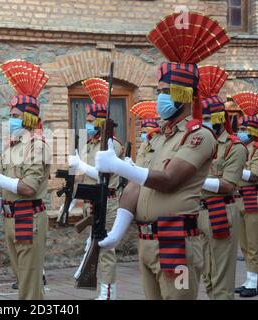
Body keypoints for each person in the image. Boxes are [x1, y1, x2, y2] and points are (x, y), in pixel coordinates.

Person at [93, 12, 230, 299]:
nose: (160, 98)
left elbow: (168, 180)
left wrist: (119, 164)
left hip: (176, 242)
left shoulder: (199, 135)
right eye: (158, 92)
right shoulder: (155, 139)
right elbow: (133, 187)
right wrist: (117, 232)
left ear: (182, 95)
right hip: (146, 241)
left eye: (165, 92)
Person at [0, 60, 51, 300]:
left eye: (16, 116)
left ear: (29, 118)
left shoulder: (37, 146)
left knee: (29, 284)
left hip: (28, 217)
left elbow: (28, 187)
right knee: (23, 281)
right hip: (11, 218)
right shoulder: (10, 147)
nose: (11, 120)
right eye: (10, 115)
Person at [68, 77, 123, 300]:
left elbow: (102, 175)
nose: (87, 124)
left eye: (91, 120)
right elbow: (84, 174)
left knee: (106, 249)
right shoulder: (90, 144)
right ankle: (98, 284)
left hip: (107, 202)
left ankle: (108, 291)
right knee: (92, 244)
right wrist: (73, 198)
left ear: (102, 122)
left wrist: (80, 164)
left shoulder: (113, 145)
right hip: (91, 202)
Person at [197, 66, 247, 300]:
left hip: (220, 211)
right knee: (206, 275)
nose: (204, 123)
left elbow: (228, 184)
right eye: (201, 118)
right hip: (199, 212)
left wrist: (195, 180)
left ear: (219, 118)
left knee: (221, 281)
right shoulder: (197, 144)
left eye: (208, 118)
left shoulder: (233, 146)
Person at [232, 92, 258, 298]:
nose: (240, 132)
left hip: (253, 199)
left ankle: (254, 282)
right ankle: (249, 279)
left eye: (243, 129)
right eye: (239, 129)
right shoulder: (241, 147)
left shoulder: (257, 148)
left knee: (253, 244)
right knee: (244, 244)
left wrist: (235, 168)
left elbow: (254, 175)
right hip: (240, 198)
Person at [130, 101, 160, 168]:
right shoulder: (144, 144)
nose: (145, 135)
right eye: (143, 132)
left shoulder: (155, 143)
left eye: (148, 132)